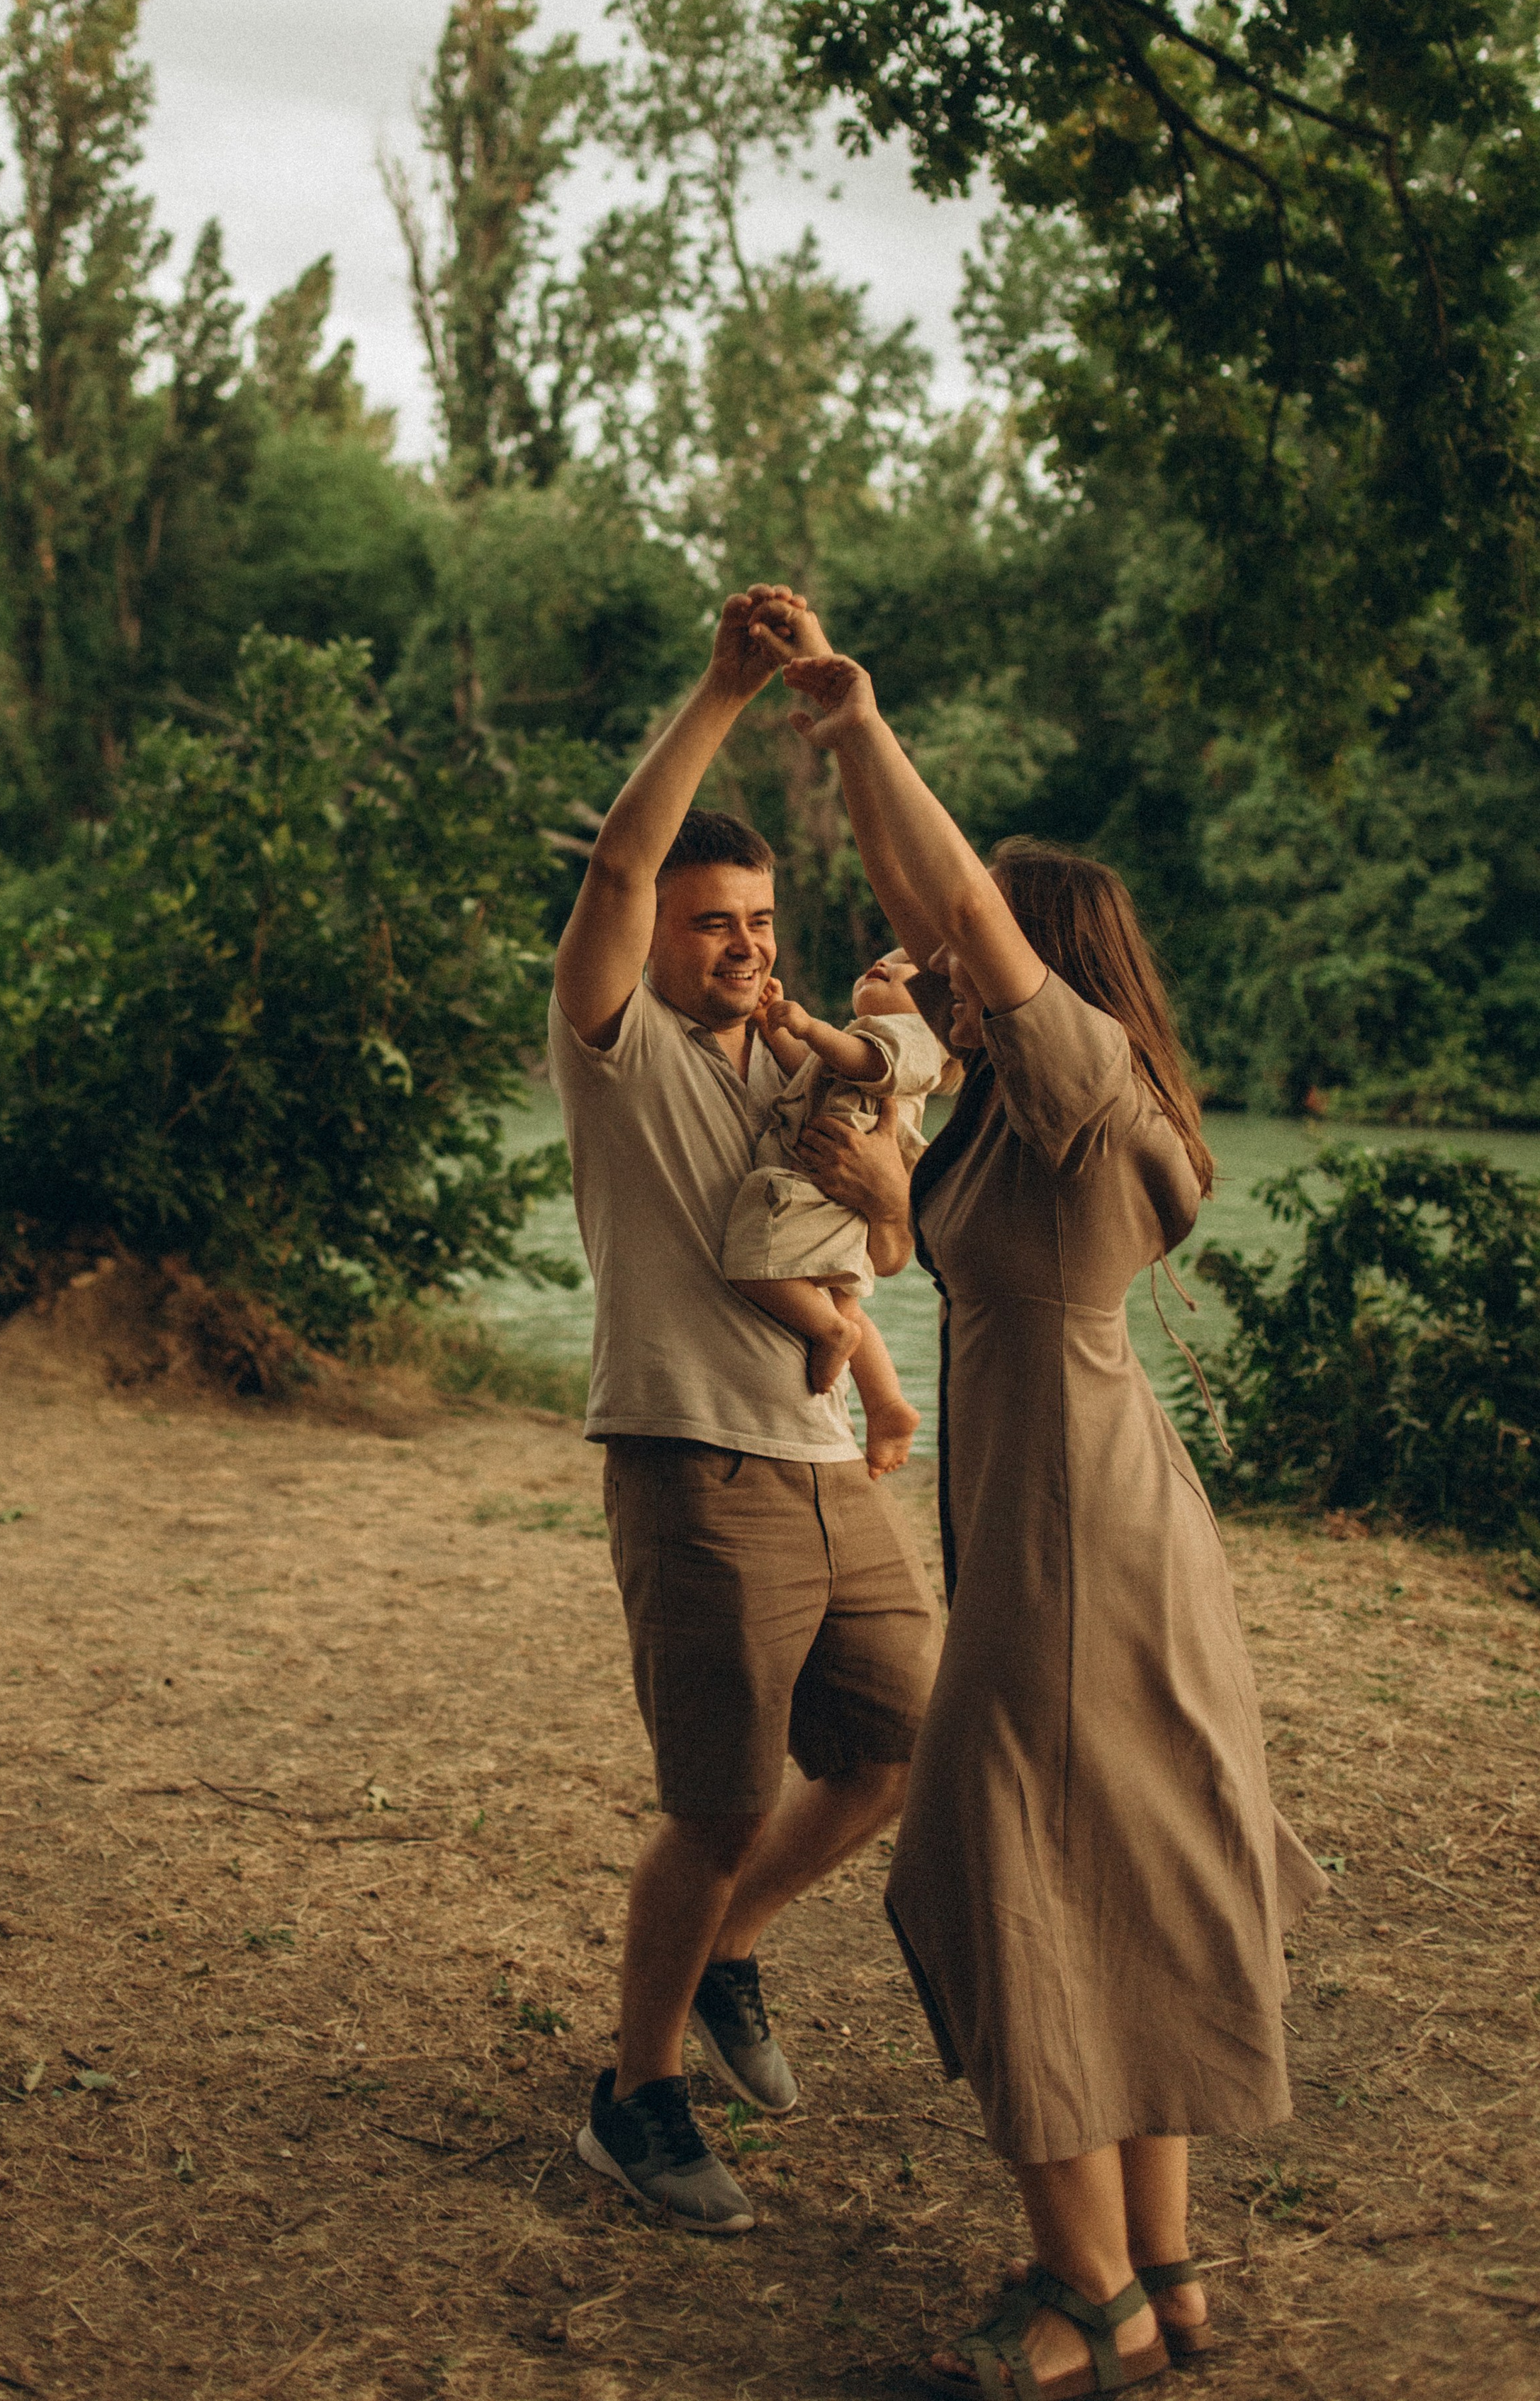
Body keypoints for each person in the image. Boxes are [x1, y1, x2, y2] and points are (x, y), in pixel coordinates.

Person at [781, 644, 1327, 2397]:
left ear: (1047, 964)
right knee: (1123, 1872)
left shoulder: (1079, 1076)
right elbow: (923, 906)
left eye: (974, 946)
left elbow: (944, 896)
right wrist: (890, 1176)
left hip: (1072, 1533)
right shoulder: (1035, 1120)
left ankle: (1075, 2289)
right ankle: (1160, 2272)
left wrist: (862, 724)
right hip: (1077, 1500)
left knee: (984, 1859)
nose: (939, 956)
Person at [549, 588, 940, 2238]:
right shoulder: (615, 1041)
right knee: (710, 1801)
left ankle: (725, 1950)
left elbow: (889, 1233)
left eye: (758, 922)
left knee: (896, 1740)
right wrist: (725, 685)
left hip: (826, 1464)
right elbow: (619, 869)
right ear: (656, 936)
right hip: (692, 1463)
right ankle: (632, 2099)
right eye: (712, 923)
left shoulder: (786, 1060)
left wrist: (884, 1184)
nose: (740, 948)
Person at [724, 948, 954, 1477]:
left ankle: (827, 1334)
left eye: (905, 972)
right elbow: (808, 1074)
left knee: (749, 1262)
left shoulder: (914, 1040)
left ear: (936, 1010)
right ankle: (886, 1405)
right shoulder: (868, 1039)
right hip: (841, 1192)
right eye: (882, 959)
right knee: (846, 1303)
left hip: (825, 1187)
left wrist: (809, 1026)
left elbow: (864, 1061)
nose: (886, 966)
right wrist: (772, 1029)